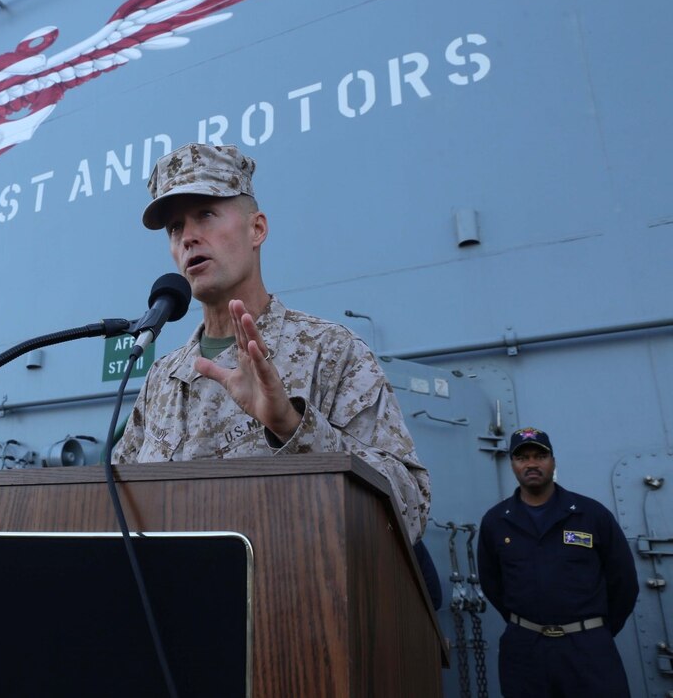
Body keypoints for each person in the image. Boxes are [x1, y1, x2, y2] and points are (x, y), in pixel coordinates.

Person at [111, 142, 430, 542]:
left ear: (256, 228)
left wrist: (293, 427)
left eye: (206, 214)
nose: (188, 237)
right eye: (175, 228)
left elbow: (409, 508)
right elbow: (114, 507)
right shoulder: (162, 378)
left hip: (288, 597)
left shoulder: (330, 351)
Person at [477, 427, 640, 697]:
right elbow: (492, 583)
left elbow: (624, 582)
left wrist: (595, 632)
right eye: (522, 457)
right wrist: (525, 624)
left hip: (589, 650)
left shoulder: (591, 515)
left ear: (553, 461)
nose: (531, 463)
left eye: (540, 456)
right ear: (513, 465)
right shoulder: (496, 522)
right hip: (525, 652)